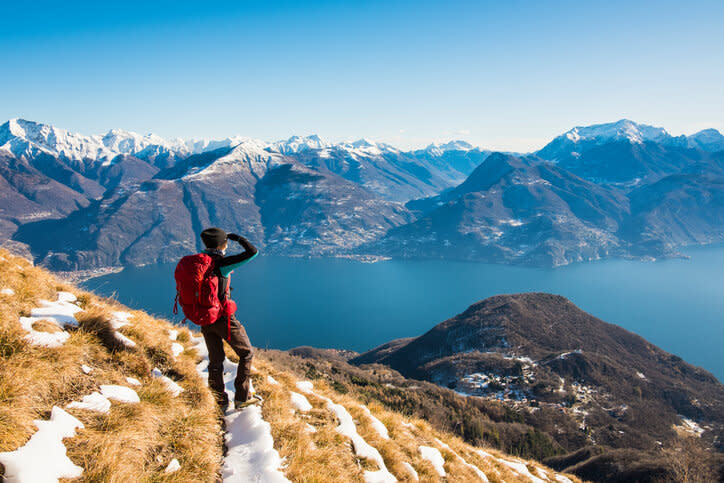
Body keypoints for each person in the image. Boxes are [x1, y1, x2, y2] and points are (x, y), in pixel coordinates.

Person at [199, 227, 259, 411]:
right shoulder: (222, 264)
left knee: (215, 360)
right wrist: (238, 238)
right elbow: (252, 252)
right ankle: (241, 398)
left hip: (204, 318)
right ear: (223, 244)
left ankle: (219, 400)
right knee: (246, 353)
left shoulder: (200, 263)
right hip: (223, 318)